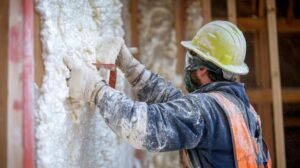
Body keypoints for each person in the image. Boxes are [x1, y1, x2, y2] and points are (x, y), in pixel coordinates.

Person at [66, 21, 271, 168]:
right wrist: (130, 67)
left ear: (201, 69)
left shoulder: (207, 110)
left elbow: (142, 126)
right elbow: (178, 105)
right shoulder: (242, 112)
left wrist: (94, 89)